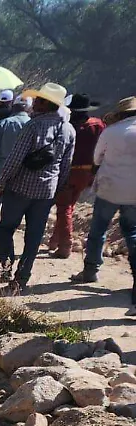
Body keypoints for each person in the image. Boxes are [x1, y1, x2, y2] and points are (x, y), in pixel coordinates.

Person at [0, 83, 77, 291]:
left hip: (20, 187)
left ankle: (5, 267)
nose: (34, 103)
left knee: (6, 228)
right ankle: (22, 277)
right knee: (34, 236)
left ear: (44, 104)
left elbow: (15, 159)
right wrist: (56, 189)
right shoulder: (69, 130)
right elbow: (66, 165)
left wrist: (2, 183)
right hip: (46, 191)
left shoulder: (32, 126)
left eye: (38, 100)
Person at [70, 96, 136, 312]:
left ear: (121, 113)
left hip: (109, 187)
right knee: (133, 233)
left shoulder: (111, 131)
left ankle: (91, 270)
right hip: (134, 192)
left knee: (99, 229)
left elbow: (97, 158)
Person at [49, 94, 107, 258]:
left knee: (64, 207)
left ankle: (65, 245)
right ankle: (54, 240)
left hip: (68, 170)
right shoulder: (98, 125)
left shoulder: (68, 127)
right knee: (68, 205)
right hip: (87, 172)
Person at [0, 97, 32, 252]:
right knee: (10, 214)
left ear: (13, 107)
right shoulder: (33, 125)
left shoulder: (3, 124)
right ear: (29, 108)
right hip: (22, 177)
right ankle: (4, 242)